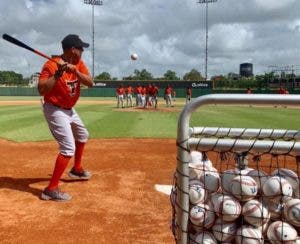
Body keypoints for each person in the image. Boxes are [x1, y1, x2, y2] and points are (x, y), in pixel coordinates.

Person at [38, 34, 94, 201]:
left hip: (70, 109)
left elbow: (90, 82)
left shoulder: (78, 64)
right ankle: (51, 189)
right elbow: (41, 90)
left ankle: (76, 169)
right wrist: (57, 74)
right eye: (80, 49)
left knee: (83, 135)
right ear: (72, 50)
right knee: (68, 148)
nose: (82, 51)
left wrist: (75, 71)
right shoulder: (50, 65)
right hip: (55, 109)